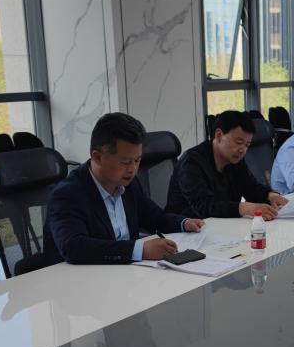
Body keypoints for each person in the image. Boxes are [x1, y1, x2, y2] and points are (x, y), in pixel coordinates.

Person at [46, 112, 204, 264]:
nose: (133, 169)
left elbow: (154, 217)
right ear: (97, 157)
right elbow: (74, 247)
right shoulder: (67, 194)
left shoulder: (128, 183)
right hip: (81, 277)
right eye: (125, 162)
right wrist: (141, 250)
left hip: (128, 273)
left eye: (137, 160)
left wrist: (184, 223)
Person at [166, 110, 288, 221]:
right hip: (185, 232)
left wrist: (270, 195)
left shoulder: (235, 159)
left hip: (222, 227)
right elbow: (204, 207)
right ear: (219, 135)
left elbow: (250, 187)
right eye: (238, 142)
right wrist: (245, 208)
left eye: (247, 145)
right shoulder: (191, 162)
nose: (243, 150)